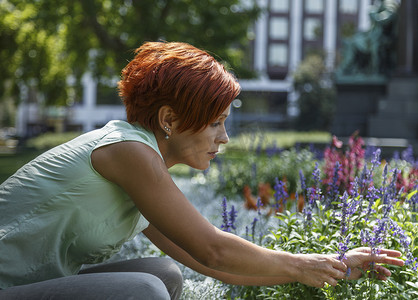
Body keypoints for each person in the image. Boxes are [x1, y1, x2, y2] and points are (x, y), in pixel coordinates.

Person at [0, 42, 404, 299]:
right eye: (215, 122)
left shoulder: (140, 164)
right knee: (143, 290)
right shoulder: (127, 150)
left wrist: (330, 268)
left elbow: (211, 265)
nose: (224, 138)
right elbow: (214, 247)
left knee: (163, 273)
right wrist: (305, 264)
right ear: (169, 119)